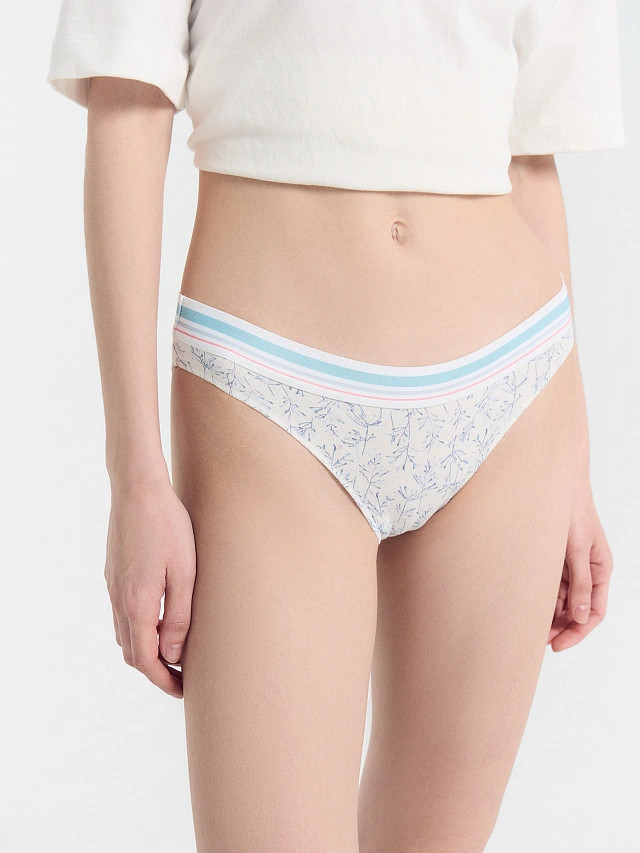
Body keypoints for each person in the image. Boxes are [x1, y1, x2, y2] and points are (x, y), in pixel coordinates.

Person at [46, 1, 625, 850]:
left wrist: (576, 465)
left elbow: (531, 153)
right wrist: (135, 473)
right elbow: (127, 106)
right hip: (269, 394)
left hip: (513, 389)